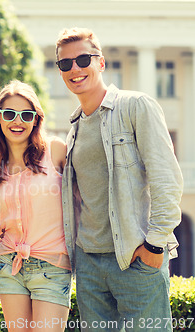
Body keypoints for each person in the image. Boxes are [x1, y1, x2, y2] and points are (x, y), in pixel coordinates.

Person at [55, 27, 183, 331]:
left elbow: (167, 179)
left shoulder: (136, 105)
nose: (75, 69)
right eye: (65, 64)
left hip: (135, 258)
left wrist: (154, 245)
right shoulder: (74, 126)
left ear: (101, 63)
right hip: (89, 263)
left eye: (83, 59)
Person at [0, 81, 70, 332]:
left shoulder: (55, 151)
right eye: (10, 114)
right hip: (9, 264)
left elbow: (84, 200)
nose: (18, 121)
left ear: (36, 120)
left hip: (52, 265)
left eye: (26, 115)